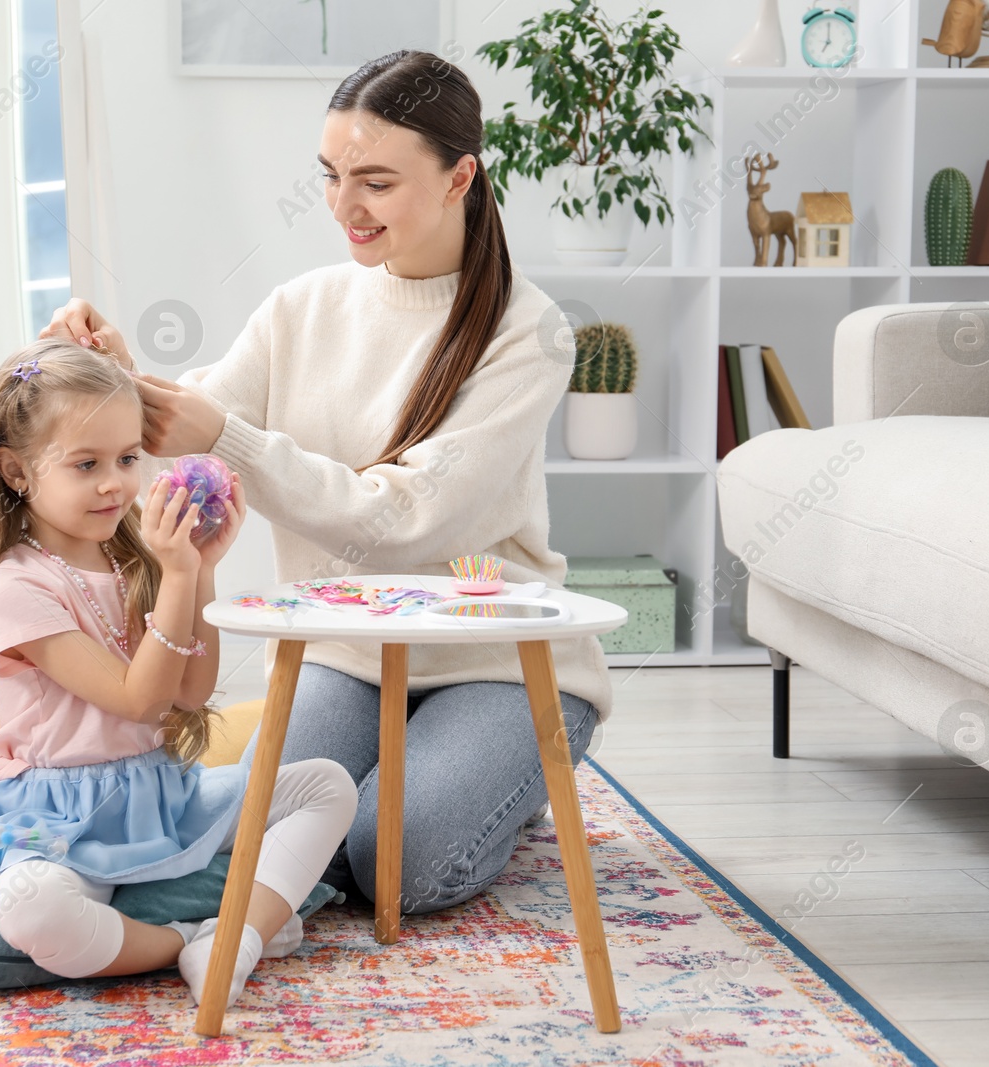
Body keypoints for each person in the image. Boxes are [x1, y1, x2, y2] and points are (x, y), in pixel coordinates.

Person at [41, 49, 612, 915]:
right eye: (331, 176)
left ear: (462, 177)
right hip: (348, 648)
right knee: (243, 833)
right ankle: (420, 773)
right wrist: (114, 377)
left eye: (375, 182)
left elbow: (402, 523)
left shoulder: (528, 334)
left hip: (494, 657)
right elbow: (175, 447)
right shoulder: (301, 308)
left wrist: (227, 435)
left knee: (397, 863)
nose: (344, 207)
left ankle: (510, 772)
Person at [0, 339, 356, 1008]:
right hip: (60, 820)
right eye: (85, 464)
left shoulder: (132, 563)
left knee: (326, 784)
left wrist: (201, 569)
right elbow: (138, 700)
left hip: (156, 797)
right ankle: (188, 940)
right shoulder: (17, 589)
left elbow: (188, 691)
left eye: (127, 459)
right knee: (27, 904)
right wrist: (178, 576)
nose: (115, 483)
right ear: (16, 472)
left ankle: (234, 939)